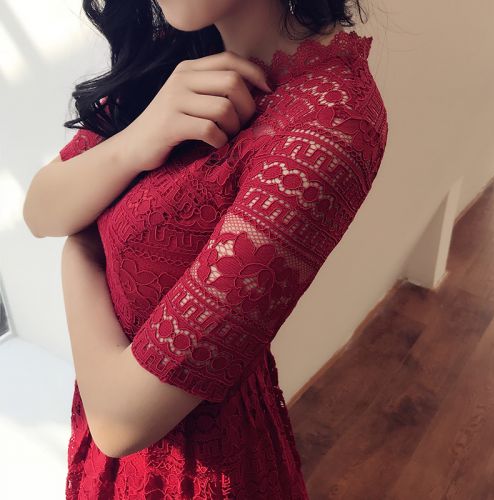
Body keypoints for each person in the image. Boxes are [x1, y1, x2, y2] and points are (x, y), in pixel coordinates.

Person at [23, 0, 389, 498]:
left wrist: (80, 250)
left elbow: (119, 421)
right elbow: (40, 210)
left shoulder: (329, 128)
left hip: (197, 472)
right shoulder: (178, 50)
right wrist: (138, 141)